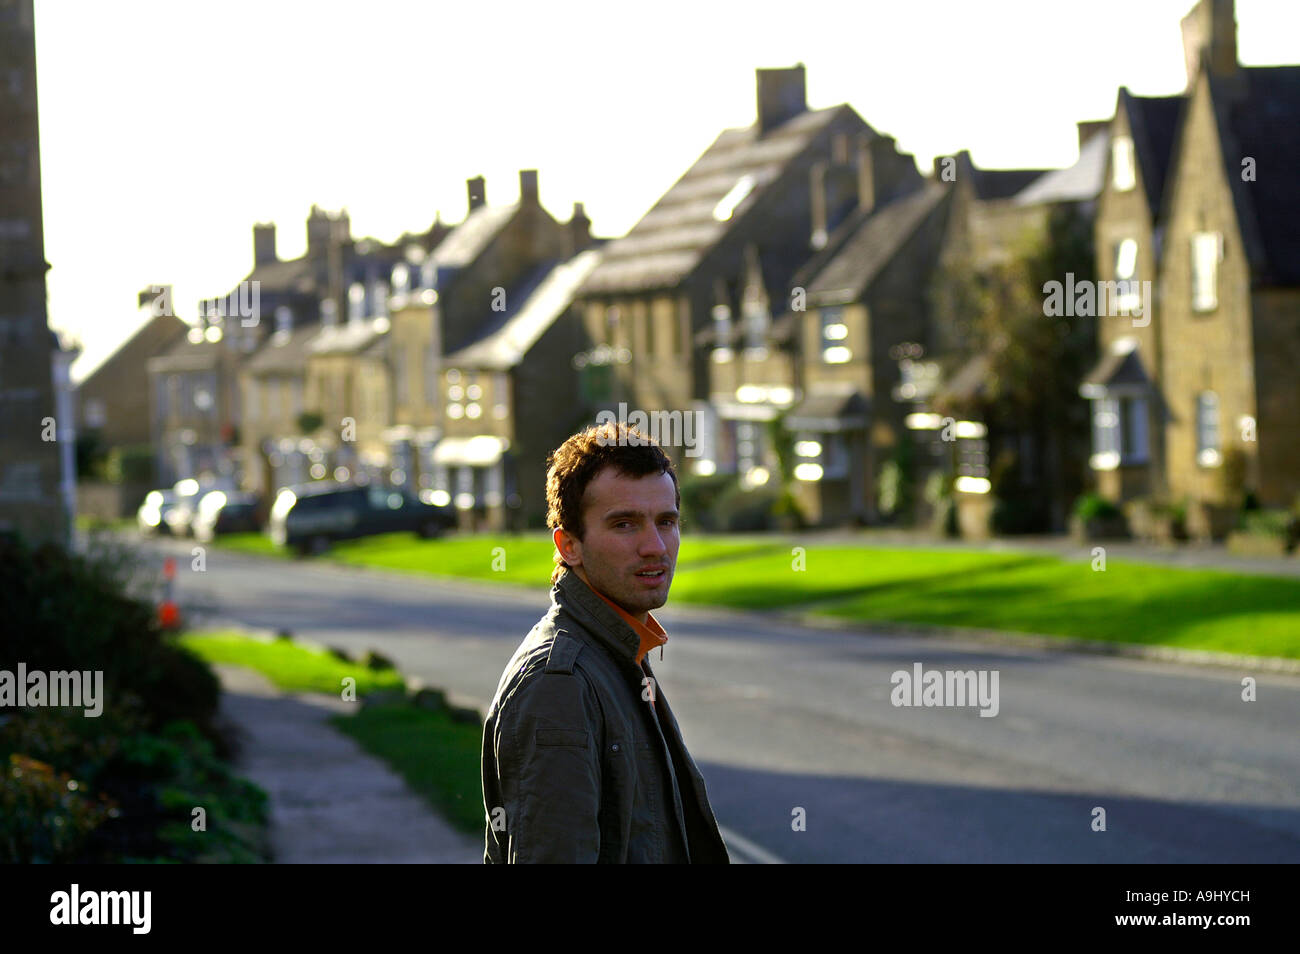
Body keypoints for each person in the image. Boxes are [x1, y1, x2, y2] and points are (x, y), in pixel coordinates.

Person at [481, 421, 730, 863]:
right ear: (569, 544)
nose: (655, 546)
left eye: (666, 522)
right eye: (625, 525)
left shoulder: (620, 645)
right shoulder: (559, 683)